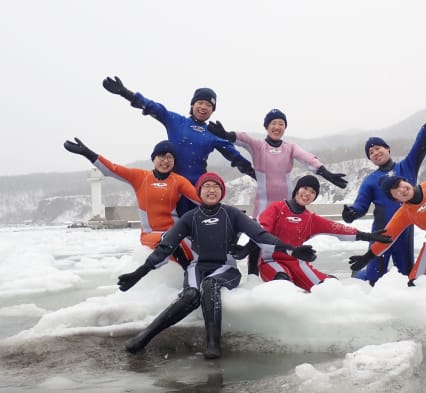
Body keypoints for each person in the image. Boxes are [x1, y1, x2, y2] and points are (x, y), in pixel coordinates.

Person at [116, 172, 317, 359]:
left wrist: (292, 249)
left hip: (226, 268)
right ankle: (144, 337)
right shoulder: (190, 217)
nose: (211, 190)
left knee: (210, 285)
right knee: (190, 295)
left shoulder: (232, 214)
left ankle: (213, 344)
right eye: (206, 186)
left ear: (222, 192)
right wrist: (138, 273)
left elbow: (261, 236)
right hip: (197, 267)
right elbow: (166, 247)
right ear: (199, 191)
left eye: (216, 187)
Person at [207, 108, 348, 274]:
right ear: (266, 126)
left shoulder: (290, 148)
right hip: (263, 205)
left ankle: (290, 271)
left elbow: (307, 158)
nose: (277, 127)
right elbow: (244, 139)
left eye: (281, 124)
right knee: (257, 237)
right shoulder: (259, 146)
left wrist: (327, 173)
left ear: (285, 128)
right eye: (273, 123)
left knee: (288, 240)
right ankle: (253, 276)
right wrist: (227, 135)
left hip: (286, 206)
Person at [102, 76, 256, 216]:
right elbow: (154, 108)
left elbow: (235, 157)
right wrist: (126, 93)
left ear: (212, 110)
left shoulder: (212, 132)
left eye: (209, 105)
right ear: (193, 104)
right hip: (170, 185)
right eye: (200, 102)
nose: (203, 107)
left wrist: (257, 176)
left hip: (196, 189)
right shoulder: (177, 121)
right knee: (171, 226)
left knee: (197, 228)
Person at [342, 99, 426, 285]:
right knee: (373, 281)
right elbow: (361, 206)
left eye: (377, 148)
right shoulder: (370, 180)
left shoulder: (407, 167)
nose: (375, 152)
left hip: (404, 234)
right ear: (370, 159)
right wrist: (351, 214)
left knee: (407, 279)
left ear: (387, 149)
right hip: (380, 234)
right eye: (371, 152)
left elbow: (420, 143)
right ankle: (361, 274)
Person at [63, 138, 200, 267]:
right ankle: (185, 276)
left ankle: (196, 280)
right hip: (150, 235)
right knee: (171, 242)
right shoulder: (140, 177)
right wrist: (87, 153)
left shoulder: (179, 181)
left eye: (170, 157)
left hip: (175, 234)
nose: (165, 161)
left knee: (198, 253)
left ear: (174, 161)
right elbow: (112, 169)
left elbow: (201, 199)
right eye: (161, 156)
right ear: (154, 159)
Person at [257, 175, 392, 292]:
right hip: (271, 260)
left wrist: (368, 236)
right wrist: (290, 250)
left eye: (312, 192)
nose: (307, 193)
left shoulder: (310, 219)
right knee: (283, 283)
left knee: (330, 286)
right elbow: (261, 233)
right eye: (305, 188)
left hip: (296, 262)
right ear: (297, 189)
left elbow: (337, 228)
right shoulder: (276, 208)